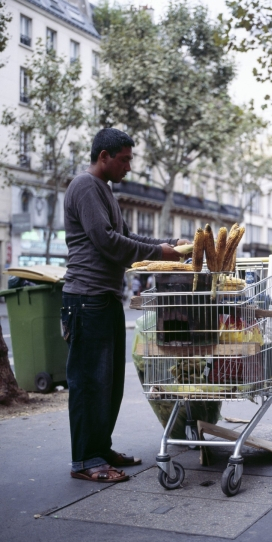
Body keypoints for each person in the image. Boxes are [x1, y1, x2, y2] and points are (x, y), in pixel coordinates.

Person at [62, 128, 190, 483]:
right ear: (103, 156)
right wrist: (158, 253)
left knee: (108, 383)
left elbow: (127, 237)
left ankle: (100, 448)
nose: (129, 167)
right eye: (124, 159)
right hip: (85, 299)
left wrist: (167, 246)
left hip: (102, 298)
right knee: (89, 383)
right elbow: (106, 241)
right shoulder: (85, 186)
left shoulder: (103, 190)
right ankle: (86, 460)